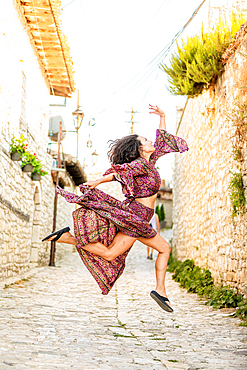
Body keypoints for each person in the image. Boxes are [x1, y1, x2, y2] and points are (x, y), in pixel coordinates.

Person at [42, 104, 188, 312]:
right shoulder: (140, 164)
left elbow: (162, 140)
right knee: (147, 250)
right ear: (140, 148)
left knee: (115, 253)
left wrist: (162, 116)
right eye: (146, 140)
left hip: (137, 217)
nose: (151, 141)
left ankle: (160, 290)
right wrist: (97, 182)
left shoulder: (149, 162)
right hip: (136, 218)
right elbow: (119, 173)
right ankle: (160, 290)